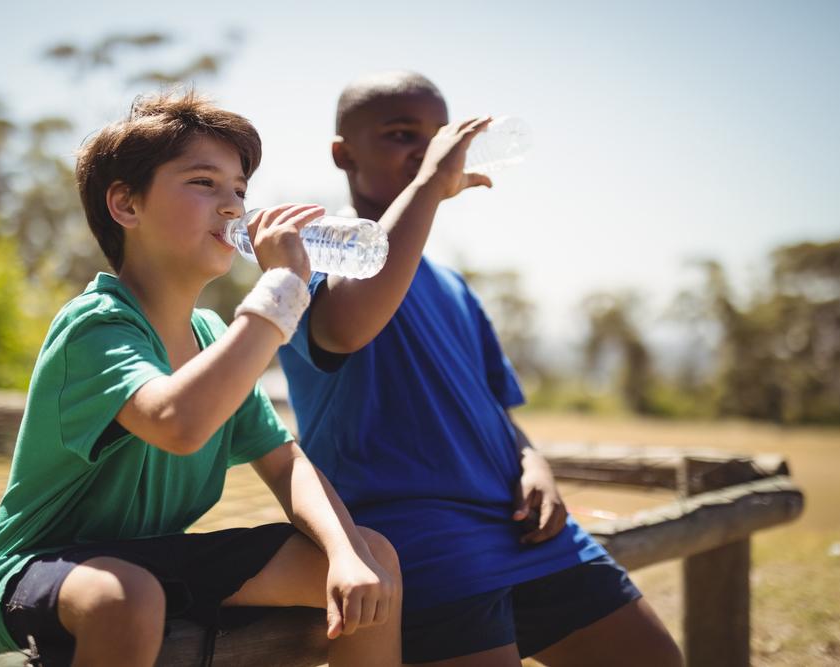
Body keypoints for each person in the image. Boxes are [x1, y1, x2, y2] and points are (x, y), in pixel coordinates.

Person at [0, 91, 402, 667]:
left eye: (240, 189)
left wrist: (345, 554)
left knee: (374, 557)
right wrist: (284, 289)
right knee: (125, 596)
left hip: (154, 561)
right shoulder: (96, 327)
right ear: (126, 205)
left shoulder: (215, 335)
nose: (233, 208)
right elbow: (178, 423)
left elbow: (286, 462)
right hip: (43, 576)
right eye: (204, 183)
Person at [278, 71, 683, 666]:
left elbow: (491, 404)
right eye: (400, 134)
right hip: (421, 537)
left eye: (439, 137)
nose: (429, 151)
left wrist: (533, 460)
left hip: (523, 530)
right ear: (344, 154)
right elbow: (345, 326)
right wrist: (427, 186)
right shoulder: (313, 245)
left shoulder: (450, 282)